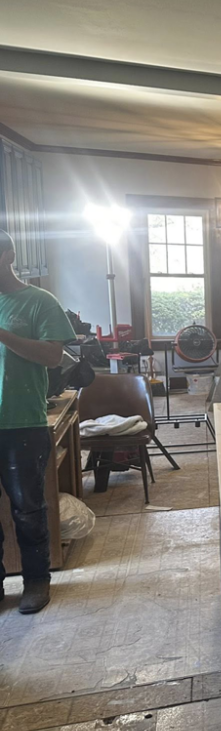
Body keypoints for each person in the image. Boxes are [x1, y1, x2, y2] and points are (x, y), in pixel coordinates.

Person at [0, 229, 76, 613]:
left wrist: (1, 334)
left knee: (27, 507)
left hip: (21, 423)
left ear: (9, 253)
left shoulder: (39, 302)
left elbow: (51, 356)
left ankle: (35, 581)